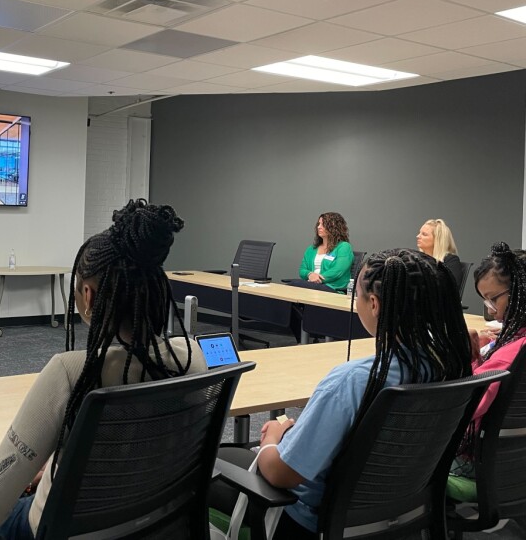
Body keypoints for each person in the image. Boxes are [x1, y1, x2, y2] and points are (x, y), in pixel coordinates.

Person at [0, 200, 205, 540]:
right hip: (152, 523)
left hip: (59, 529)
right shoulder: (193, 358)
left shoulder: (71, 372)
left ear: (87, 297)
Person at [210, 249, 472, 538]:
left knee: (209, 466)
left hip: (304, 519)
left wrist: (272, 437)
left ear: (373, 304)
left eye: (355, 294)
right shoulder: (448, 366)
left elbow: (282, 474)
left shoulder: (352, 381)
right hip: (397, 511)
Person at [452, 243, 526, 479]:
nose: (492, 311)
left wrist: (469, 356)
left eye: (493, 299)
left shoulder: (512, 354)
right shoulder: (515, 344)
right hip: (515, 460)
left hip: (486, 463)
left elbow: (463, 405)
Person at [295, 212, 354, 292]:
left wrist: (317, 279)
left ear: (334, 227)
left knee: (295, 285)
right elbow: (302, 270)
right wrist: (310, 275)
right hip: (311, 286)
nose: (319, 227)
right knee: (291, 288)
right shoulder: (311, 249)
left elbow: (338, 271)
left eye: (323, 224)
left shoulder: (344, 247)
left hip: (332, 289)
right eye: (318, 224)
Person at [417, 218, 464, 291]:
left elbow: (451, 289)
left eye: (424, 234)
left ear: (437, 240)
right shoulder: (416, 259)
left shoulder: (451, 261)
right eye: (420, 233)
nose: (418, 236)